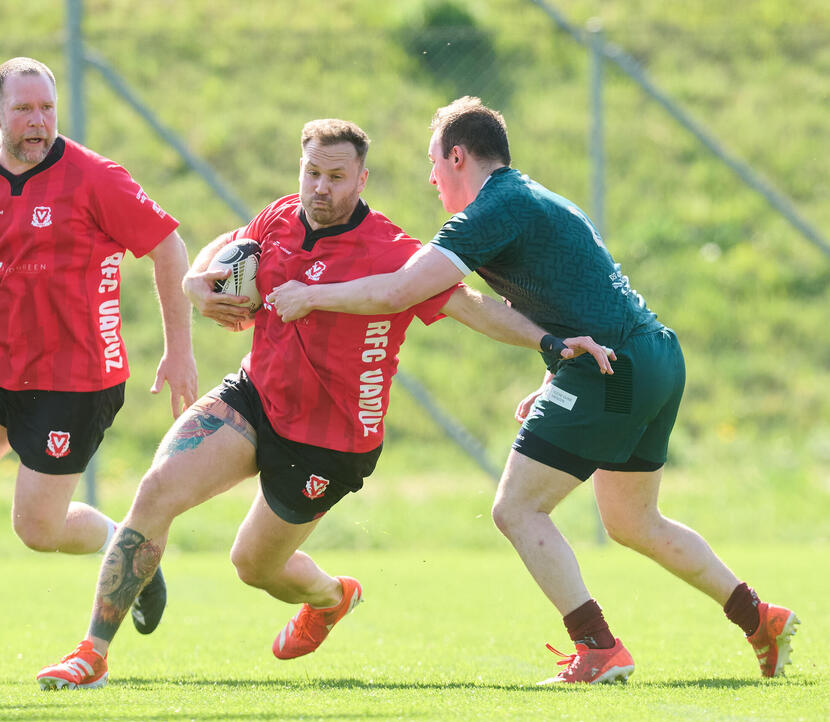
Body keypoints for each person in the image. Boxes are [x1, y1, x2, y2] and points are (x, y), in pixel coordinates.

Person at [34, 118, 615, 689]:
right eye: (312, 172)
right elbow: (233, 242)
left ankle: (331, 598)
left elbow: (472, 306)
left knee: (252, 566)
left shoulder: (392, 250)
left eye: (336, 176)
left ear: (362, 179)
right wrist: (196, 282)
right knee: (156, 489)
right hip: (254, 396)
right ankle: (92, 652)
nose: (319, 187)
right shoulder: (282, 216)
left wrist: (550, 342)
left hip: (329, 440)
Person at [267, 96, 799, 684]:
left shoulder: (493, 208)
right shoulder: (533, 197)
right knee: (634, 523)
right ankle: (759, 618)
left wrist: (309, 295)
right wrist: (553, 370)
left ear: (459, 156)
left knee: (517, 508)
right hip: (654, 356)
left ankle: (597, 647)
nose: (431, 178)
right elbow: (577, 293)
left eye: (434, 162)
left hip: (614, 368)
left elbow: (399, 292)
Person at [0, 57, 198, 685]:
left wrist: (178, 348)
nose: (38, 121)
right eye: (24, 109)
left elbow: (167, 245)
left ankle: (126, 547)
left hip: (74, 377)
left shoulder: (94, 178)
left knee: (37, 527)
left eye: (47, 108)